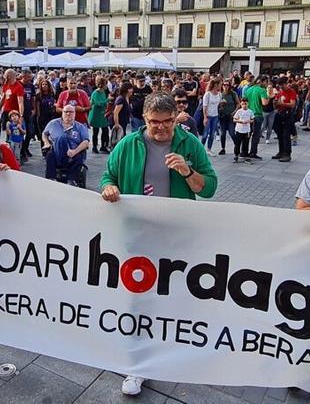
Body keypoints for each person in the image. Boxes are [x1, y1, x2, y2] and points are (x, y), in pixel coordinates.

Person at [99, 91, 217, 396]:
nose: (161, 128)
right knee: (137, 298)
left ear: (175, 120)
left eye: (167, 122)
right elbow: (107, 176)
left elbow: (209, 188)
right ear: (144, 120)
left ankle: (166, 351)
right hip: (136, 236)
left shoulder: (188, 144)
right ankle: (136, 366)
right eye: (154, 122)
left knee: (169, 295)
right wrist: (110, 187)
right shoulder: (129, 144)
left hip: (175, 236)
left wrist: (187, 171)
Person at [42, 105, 90, 185]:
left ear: (75, 113)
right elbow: (44, 134)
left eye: (71, 112)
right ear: (62, 113)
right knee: (57, 144)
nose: (68, 114)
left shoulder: (80, 127)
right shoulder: (53, 123)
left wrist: (75, 151)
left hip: (73, 152)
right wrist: (46, 143)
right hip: (56, 152)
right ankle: (51, 178)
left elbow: (86, 141)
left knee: (79, 157)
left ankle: (72, 180)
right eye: (66, 112)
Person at [242, 76, 269, 159]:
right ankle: (253, 152)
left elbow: (243, 101)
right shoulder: (262, 90)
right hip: (257, 114)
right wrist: (269, 98)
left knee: (247, 134)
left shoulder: (249, 89)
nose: (267, 84)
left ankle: (244, 152)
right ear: (262, 81)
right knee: (256, 135)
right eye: (266, 82)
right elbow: (264, 103)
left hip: (248, 114)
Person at [272, 81, 298, 162]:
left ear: (286, 84)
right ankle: (281, 151)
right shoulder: (280, 92)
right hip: (280, 113)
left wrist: (281, 104)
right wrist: (275, 103)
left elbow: (292, 104)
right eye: (279, 86)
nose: (281, 87)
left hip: (288, 114)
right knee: (279, 134)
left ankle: (287, 154)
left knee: (286, 134)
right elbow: (277, 103)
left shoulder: (291, 92)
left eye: (282, 85)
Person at [0, 69, 25, 139]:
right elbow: (3, 98)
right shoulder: (6, 85)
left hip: (14, 112)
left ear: (9, 76)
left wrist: (21, 115)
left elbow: (20, 102)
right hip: (6, 111)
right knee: (6, 129)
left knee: (14, 131)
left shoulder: (18, 86)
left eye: (5, 75)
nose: (4, 77)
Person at [217, 80, 239, 156]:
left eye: (227, 85)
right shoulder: (220, 95)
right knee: (222, 134)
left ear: (229, 86)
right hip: (222, 116)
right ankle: (223, 148)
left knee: (232, 133)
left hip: (230, 116)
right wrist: (221, 106)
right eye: (224, 85)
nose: (226, 86)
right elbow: (217, 106)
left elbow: (238, 104)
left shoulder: (233, 94)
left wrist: (234, 112)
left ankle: (237, 146)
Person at [201, 78, 223, 155]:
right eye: (220, 84)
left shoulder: (220, 94)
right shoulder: (208, 94)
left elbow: (219, 104)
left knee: (212, 133)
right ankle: (201, 148)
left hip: (215, 115)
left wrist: (222, 103)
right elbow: (204, 106)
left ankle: (209, 149)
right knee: (205, 134)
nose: (221, 86)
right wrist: (205, 117)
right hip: (208, 115)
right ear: (216, 85)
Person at [89, 76, 110, 153]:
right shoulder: (95, 93)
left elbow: (103, 102)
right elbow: (98, 103)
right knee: (96, 131)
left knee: (105, 130)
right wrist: (107, 100)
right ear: (101, 85)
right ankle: (94, 147)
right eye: (105, 84)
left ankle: (103, 146)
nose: (106, 86)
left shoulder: (103, 92)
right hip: (96, 115)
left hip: (102, 114)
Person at [232, 98, 254, 163]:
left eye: (245, 104)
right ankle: (236, 155)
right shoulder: (239, 111)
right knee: (237, 144)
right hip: (239, 130)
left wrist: (248, 121)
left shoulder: (250, 111)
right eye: (243, 104)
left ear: (248, 104)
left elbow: (252, 119)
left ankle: (245, 155)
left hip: (247, 130)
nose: (244, 105)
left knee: (246, 143)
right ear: (241, 104)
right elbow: (234, 119)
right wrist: (240, 121)